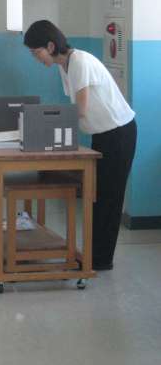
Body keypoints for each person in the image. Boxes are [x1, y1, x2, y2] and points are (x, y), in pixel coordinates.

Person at [23, 19, 137, 271]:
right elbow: (77, 111)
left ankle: (101, 259)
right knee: (97, 197)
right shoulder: (64, 66)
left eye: (36, 52)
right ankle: (94, 254)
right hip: (102, 133)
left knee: (109, 198)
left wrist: (44, 127)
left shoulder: (80, 62)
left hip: (118, 133)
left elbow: (80, 110)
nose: (36, 58)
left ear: (50, 46)